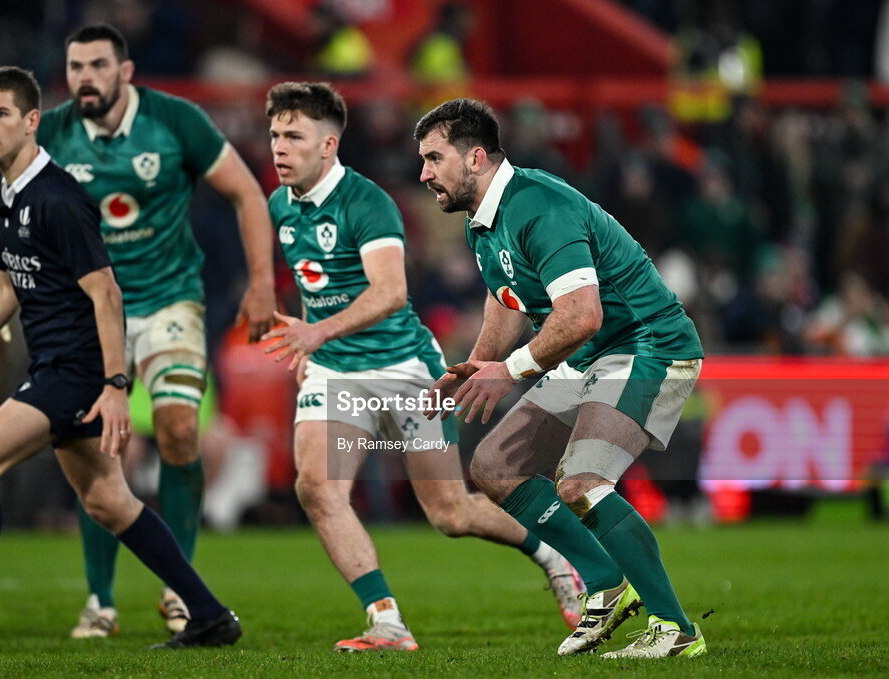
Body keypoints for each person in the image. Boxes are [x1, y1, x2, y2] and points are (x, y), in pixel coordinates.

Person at [0, 66, 241, 652]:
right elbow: (9, 284)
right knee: (109, 501)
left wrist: (114, 383)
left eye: (1, 114)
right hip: (58, 370)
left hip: (73, 374)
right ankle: (210, 614)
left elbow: (106, 293)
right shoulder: (8, 192)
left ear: (33, 121)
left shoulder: (58, 199)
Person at [260, 82, 584, 653]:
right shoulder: (280, 205)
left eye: (294, 136)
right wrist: (314, 343)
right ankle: (386, 621)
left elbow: (388, 292)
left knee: (451, 513)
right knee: (317, 488)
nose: (279, 148)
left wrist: (317, 331)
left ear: (329, 144)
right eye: (275, 136)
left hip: (405, 369)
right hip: (335, 373)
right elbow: (322, 288)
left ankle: (555, 553)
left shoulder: (367, 203)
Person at [413, 98, 708, 659]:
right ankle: (605, 584)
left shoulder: (538, 206)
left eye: (433, 158)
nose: (423, 173)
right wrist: (478, 365)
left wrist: (512, 370)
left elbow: (582, 315)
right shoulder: (485, 220)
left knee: (581, 481)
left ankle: (676, 629)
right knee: (495, 467)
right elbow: (507, 298)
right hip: (589, 355)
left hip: (646, 345)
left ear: (475, 158)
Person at [34, 24, 276, 637]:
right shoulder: (54, 133)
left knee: (177, 428)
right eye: (75, 66)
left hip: (170, 299)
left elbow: (248, 194)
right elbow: (11, 214)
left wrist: (262, 283)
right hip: (88, 310)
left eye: (96, 65)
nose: (84, 76)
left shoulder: (177, 121)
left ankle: (181, 589)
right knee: (96, 445)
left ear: (126, 71)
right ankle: (100, 600)